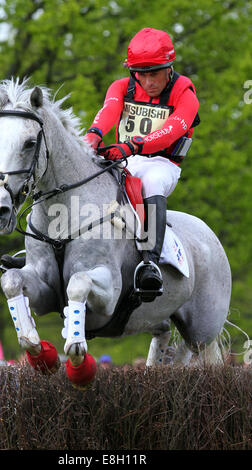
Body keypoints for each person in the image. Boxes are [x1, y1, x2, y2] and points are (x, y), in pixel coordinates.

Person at [85, 27, 200, 301]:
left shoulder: (185, 93)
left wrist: (132, 145)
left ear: (169, 68)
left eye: (154, 73)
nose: (148, 81)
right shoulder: (122, 86)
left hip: (162, 163)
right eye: (141, 74)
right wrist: (93, 136)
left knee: (151, 181)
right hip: (125, 156)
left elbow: (171, 131)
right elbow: (109, 112)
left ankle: (150, 262)